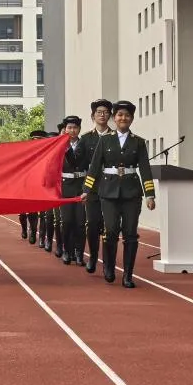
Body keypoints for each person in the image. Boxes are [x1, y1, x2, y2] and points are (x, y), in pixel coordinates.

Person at [82, 100, 155, 288]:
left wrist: (150, 194)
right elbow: (95, 167)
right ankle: (109, 267)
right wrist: (86, 191)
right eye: (120, 115)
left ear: (131, 119)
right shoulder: (105, 140)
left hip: (131, 193)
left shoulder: (138, 142)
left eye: (127, 115)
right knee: (111, 231)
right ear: (114, 118)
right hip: (108, 192)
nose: (123, 118)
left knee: (130, 234)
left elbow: (145, 169)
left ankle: (128, 275)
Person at [79, 99, 114, 273]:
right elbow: (79, 162)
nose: (102, 115)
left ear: (110, 115)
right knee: (92, 223)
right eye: (99, 112)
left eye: (106, 112)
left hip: (111, 187)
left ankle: (108, 263)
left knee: (109, 226)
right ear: (93, 116)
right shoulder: (85, 139)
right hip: (92, 187)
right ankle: (93, 257)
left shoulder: (116, 137)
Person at [59, 115, 87, 266]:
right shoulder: (59, 145)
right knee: (67, 221)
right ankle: (66, 251)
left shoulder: (84, 144)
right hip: (66, 185)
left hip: (81, 185)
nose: (72, 130)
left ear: (79, 129)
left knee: (80, 222)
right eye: (69, 127)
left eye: (75, 127)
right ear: (65, 129)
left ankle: (79, 253)